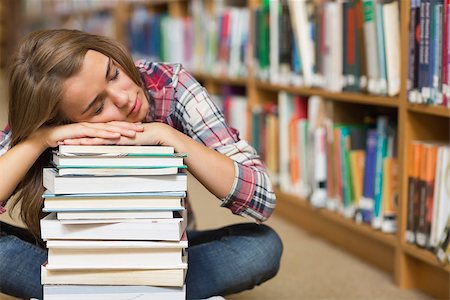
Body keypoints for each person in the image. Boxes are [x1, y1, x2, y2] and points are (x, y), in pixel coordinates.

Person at [0, 29, 282, 299]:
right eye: (97, 108)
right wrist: (40, 140)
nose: (125, 98)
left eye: (114, 74)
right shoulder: (45, 110)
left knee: (263, 248)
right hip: (74, 254)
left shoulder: (170, 84)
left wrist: (168, 136)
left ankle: (82, 293)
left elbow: (262, 197)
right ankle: (149, 293)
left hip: (161, 250)